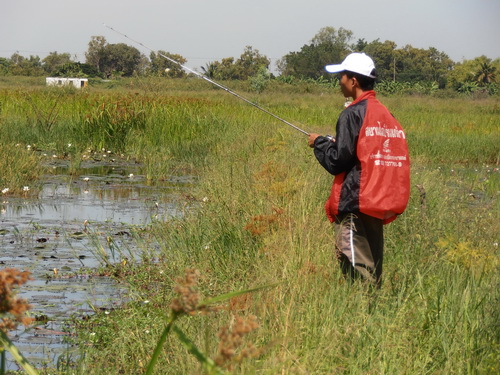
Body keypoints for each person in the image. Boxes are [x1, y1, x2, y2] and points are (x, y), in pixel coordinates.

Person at [308, 52, 410, 286]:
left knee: (356, 267)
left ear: (353, 80)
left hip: (357, 200)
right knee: (372, 265)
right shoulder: (386, 114)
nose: (339, 81)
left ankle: (363, 316)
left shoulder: (352, 114)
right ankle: (373, 313)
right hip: (378, 200)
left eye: (342, 76)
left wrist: (320, 143)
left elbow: (337, 162)